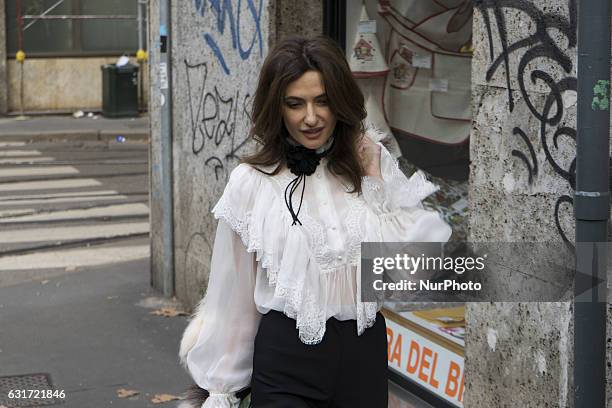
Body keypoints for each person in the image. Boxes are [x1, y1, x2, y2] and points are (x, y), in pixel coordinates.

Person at [177, 35, 452, 408]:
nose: (311, 117)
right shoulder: (252, 182)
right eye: (295, 103)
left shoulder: (370, 160)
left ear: (339, 102)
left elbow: (415, 272)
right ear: (277, 108)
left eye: (322, 101)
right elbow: (232, 295)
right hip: (286, 361)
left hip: (364, 357)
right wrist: (222, 389)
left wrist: (375, 180)